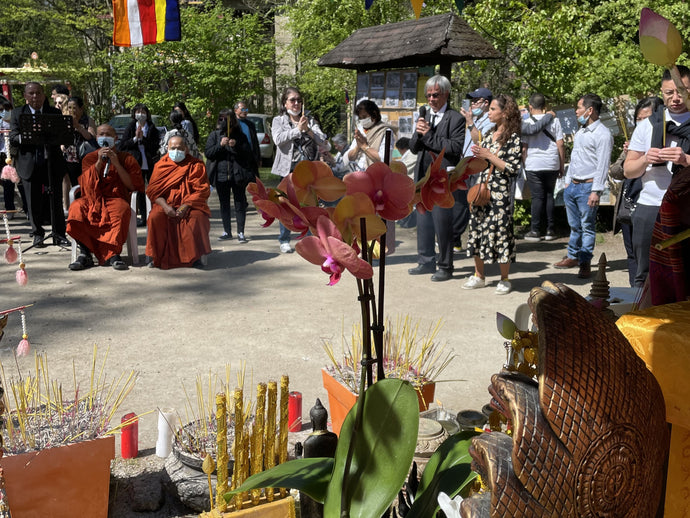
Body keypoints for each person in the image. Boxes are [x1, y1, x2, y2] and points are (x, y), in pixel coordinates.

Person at [624, 66, 690, 287]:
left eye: (681, 91)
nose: (675, 98)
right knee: (645, 274)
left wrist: (686, 160)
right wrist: (645, 159)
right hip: (650, 205)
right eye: (668, 93)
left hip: (686, 207)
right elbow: (628, 170)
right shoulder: (648, 125)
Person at [463, 94, 523, 295]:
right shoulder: (489, 134)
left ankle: (504, 279)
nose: (488, 113)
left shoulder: (514, 138)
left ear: (505, 113)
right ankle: (479, 275)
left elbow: (513, 168)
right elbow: (477, 142)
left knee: (501, 233)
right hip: (482, 189)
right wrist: (471, 124)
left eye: (492, 110)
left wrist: (489, 156)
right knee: (477, 230)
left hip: (499, 193)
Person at [408, 75, 465, 282]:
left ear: (446, 94)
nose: (431, 99)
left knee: (443, 224)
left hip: (441, 181)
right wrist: (418, 132)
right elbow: (414, 148)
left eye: (435, 95)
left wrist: (430, 135)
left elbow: (455, 148)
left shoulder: (455, 118)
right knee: (423, 222)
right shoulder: (424, 116)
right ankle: (425, 261)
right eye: (428, 95)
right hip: (423, 179)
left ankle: (445, 266)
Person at [66, 124, 144, 271]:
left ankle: (113, 254)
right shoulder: (89, 158)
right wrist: (99, 162)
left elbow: (133, 186)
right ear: (97, 138)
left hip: (116, 198)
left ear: (115, 138)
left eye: (108, 134)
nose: (104, 137)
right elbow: (86, 185)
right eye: (101, 134)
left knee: (121, 210)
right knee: (76, 208)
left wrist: (116, 164)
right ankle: (84, 254)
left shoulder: (126, 158)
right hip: (92, 199)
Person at [554, 93, 614, 279]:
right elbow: (574, 160)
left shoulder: (603, 134)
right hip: (573, 186)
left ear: (590, 110)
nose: (576, 111)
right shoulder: (580, 132)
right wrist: (567, 182)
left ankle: (585, 261)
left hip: (588, 188)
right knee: (574, 226)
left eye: (579, 108)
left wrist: (596, 191)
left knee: (587, 226)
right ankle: (572, 256)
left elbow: (603, 165)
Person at [609, 97, 663, 287]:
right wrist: (628, 154)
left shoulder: (667, 138)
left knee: (652, 257)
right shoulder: (636, 141)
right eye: (638, 119)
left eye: (646, 118)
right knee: (633, 255)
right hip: (628, 207)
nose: (642, 123)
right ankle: (635, 294)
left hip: (651, 206)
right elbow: (616, 171)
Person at [9, 82, 70, 247]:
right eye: (31, 93)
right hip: (29, 163)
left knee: (56, 200)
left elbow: (64, 136)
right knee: (32, 200)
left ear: (44, 95)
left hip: (52, 163)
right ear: (25, 96)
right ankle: (37, 233)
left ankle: (59, 233)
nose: (35, 96)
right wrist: (28, 136)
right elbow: (13, 137)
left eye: (38, 93)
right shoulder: (17, 113)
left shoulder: (54, 113)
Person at [271, 86, 326, 253]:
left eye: (299, 100)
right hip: (288, 169)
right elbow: (278, 139)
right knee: (285, 204)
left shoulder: (308, 119)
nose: (296, 103)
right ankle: (284, 238)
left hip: (308, 169)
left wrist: (308, 129)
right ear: (284, 103)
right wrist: (297, 130)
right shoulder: (278, 121)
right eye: (292, 100)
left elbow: (322, 140)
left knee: (309, 204)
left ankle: (310, 239)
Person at [146, 135, 211, 269]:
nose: (176, 151)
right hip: (165, 204)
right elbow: (153, 191)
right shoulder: (160, 166)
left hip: (190, 204)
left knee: (197, 218)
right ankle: (157, 256)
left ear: (186, 149)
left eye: (180, 148)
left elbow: (201, 190)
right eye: (173, 148)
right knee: (155, 217)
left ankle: (195, 257)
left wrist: (185, 206)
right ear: (167, 149)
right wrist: (165, 207)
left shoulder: (196, 165)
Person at [454, 88, 495, 251]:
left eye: (475, 101)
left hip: (479, 167)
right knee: (461, 203)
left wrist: (470, 122)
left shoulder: (490, 120)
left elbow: (481, 142)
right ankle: (455, 239)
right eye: (471, 101)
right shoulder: (475, 119)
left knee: (475, 203)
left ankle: (480, 242)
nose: (472, 104)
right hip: (465, 166)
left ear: (485, 103)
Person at [521, 92, 565, 242]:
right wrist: (561, 164)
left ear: (530, 107)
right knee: (549, 195)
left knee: (537, 197)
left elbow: (524, 147)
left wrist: (524, 164)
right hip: (551, 162)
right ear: (545, 106)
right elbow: (560, 143)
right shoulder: (555, 121)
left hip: (533, 163)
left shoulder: (526, 122)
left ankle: (535, 230)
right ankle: (550, 230)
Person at [205, 109, 253, 243]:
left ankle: (241, 232)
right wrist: (220, 145)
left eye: (228, 119)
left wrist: (236, 146)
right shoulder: (215, 135)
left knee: (240, 203)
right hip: (221, 175)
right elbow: (208, 153)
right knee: (224, 204)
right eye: (222, 119)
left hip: (237, 175)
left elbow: (248, 154)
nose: (224, 122)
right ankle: (227, 231)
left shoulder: (240, 136)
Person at [119, 103, 161, 227]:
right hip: (136, 162)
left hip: (149, 161)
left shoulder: (152, 127)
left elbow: (155, 146)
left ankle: (156, 213)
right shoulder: (131, 126)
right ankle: (143, 215)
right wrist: (135, 139)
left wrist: (144, 138)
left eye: (143, 111)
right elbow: (123, 145)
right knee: (140, 189)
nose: (141, 114)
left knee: (153, 188)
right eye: (138, 111)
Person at [62, 96, 97, 214]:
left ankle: (89, 207)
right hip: (70, 156)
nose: (72, 110)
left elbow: (90, 137)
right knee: (74, 183)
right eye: (70, 107)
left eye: (75, 108)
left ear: (81, 108)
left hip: (84, 156)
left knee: (86, 184)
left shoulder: (88, 120)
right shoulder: (65, 119)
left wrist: (78, 126)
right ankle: (78, 209)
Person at [343, 99, 396, 171]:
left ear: (374, 115)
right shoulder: (360, 130)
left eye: (364, 117)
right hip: (357, 174)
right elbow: (347, 158)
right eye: (360, 118)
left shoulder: (385, 131)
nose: (362, 120)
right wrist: (358, 147)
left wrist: (364, 146)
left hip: (375, 175)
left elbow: (384, 160)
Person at [1, 95, 27, 220]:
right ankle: (9, 208)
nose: (4, 113)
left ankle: (27, 208)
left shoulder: (16, 120)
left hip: (15, 154)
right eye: (1, 110)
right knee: (7, 185)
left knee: (21, 182)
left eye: (6, 109)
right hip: (2, 155)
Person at [234, 101, 261, 175]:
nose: (245, 112)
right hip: (239, 160)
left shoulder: (251, 125)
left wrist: (258, 158)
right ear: (236, 111)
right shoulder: (233, 124)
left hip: (251, 159)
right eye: (242, 109)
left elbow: (255, 142)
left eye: (246, 110)